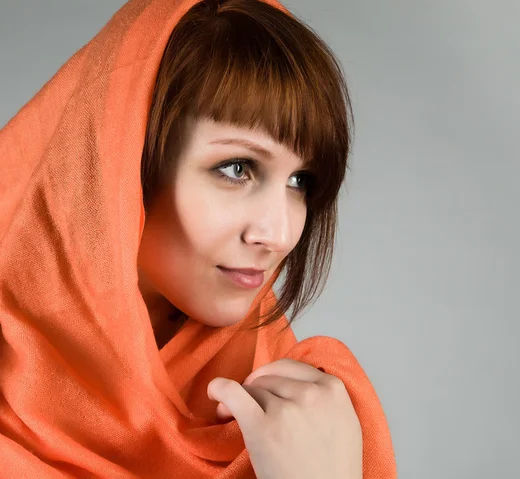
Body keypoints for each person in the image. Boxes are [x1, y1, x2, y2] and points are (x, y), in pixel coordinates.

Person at [0, 0, 396, 477]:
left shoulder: (309, 412)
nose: (280, 234)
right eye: (237, 168)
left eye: (300, 182)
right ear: (119, 161)